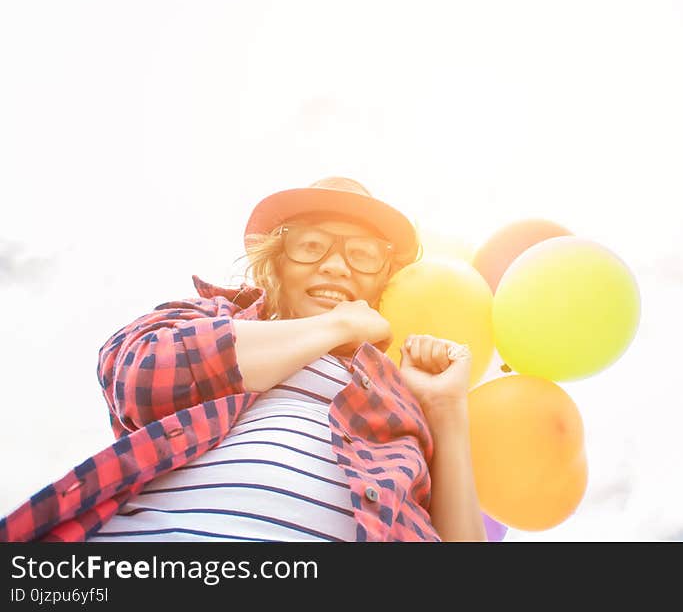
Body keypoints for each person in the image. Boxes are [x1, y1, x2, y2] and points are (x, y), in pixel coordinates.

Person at [0, 177, 487, 542]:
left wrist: (446, 410)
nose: (336, 265)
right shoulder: (210, 317)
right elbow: (138, 378)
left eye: (362, 255)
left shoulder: (405, 393)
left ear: (385, 282)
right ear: (276, 261)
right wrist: (339, 326)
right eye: (311, 246)